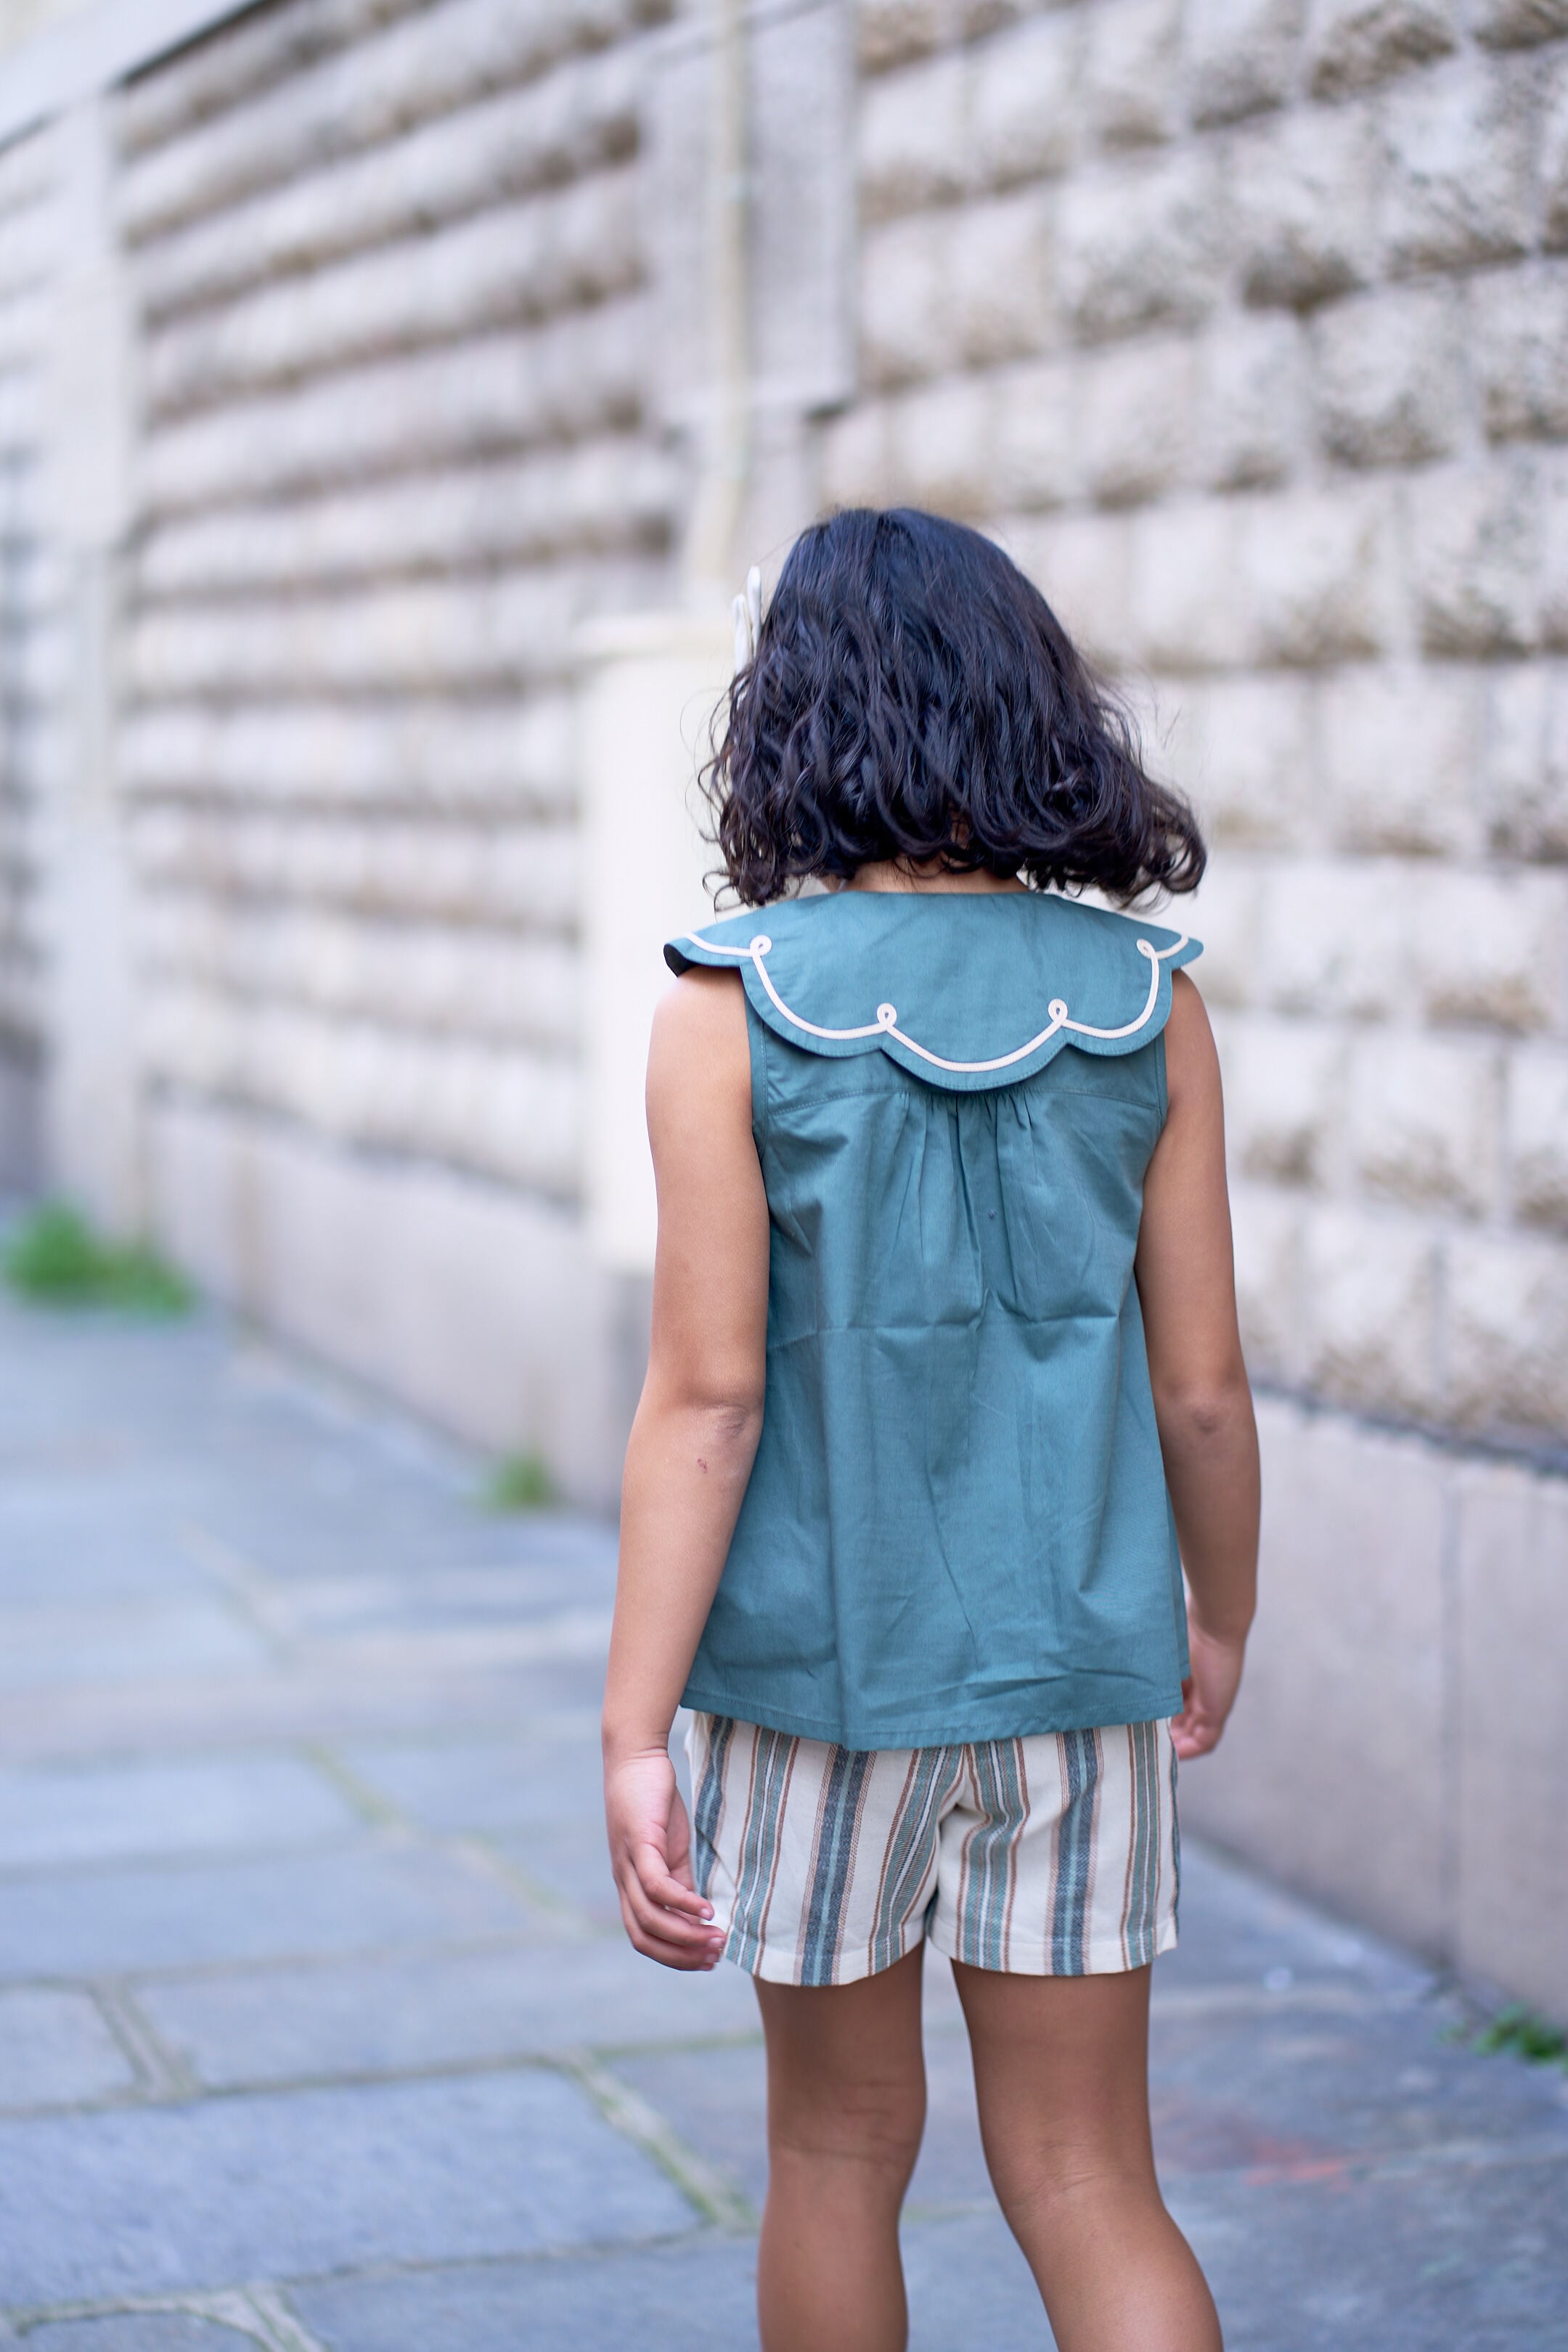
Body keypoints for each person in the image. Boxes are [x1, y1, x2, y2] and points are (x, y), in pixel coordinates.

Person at [602, 506, 1260, 2352]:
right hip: (1080, 1671)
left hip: (820, 1685)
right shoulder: (1152, 1005)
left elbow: (709, 1400)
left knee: (833, 2154)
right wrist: (1221, 1612)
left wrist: (634, 1726)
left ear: (790, 725)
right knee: (1090, 2176)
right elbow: (1204, 1388)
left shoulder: (726, 1006)